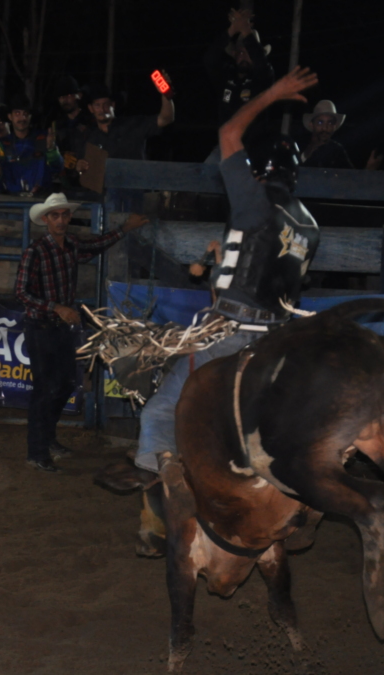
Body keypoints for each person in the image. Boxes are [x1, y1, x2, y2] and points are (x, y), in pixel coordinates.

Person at [131, 67, 321, 491]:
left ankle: (164, 477)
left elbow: (229, 133)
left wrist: (273, 92)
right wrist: (222, 266)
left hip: (231, 333)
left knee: (161, 409)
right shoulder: (310, 227)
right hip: (277, 339)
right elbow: (273, 278)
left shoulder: (253, 198)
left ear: (259, 170)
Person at [15, 193, 149, 472]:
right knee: (46, 389)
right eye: (55, 216)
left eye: (64, 215)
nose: (61, 220)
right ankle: (37, 450)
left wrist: (124, 228)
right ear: (46, 219)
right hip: (40, 327)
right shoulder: (35, 251)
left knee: (63, 384)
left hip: (59, 327)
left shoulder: (71, 245)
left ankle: (46, 441)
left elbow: (97, 244)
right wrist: (57, 307)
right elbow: (21, 292)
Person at [202, 7, 274, 162]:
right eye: (241, 52)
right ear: (234, 54)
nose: (244, 56)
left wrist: (246, 30)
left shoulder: (262, 79)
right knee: (203, 172)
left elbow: (262, 65)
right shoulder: (226, 77)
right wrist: (232, 29)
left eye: (249, 53)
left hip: (254, 151)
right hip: (225, 149)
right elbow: (209, 60)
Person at [75, 80, 175, 173]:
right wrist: (80, 167)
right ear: (91, 108)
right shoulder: (90, 139)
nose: (102, 109)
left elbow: (166, 119)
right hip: (107, 186)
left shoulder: (132, 124)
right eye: (97, 105)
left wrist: (166, 94)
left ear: (113, 105)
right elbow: (84, 169)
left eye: (106, 104)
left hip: (137, 184)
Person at [0, 93, 62, 196]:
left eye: (25, 114)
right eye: (17, 113)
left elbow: (58, 167)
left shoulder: (42, 138)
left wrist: (51, 149)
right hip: (12, 200)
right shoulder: (3, 143)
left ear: (30, 117)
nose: (22, 118)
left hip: (41, 199)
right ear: (10, 116)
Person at [301, 100, 382, 170]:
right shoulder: (299, 144)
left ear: (334, 126)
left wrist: (368, 170)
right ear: (311, 124)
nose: (325, 128)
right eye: (320, 122)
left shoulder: (337, 151)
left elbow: (350, 178)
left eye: (330, 123)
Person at [50, 75, 93, 190]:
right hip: (63, 182)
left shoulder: (90, 122)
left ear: (78, 96)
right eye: (61, 97)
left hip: (87, 182)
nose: (65, 100)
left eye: (69, 96)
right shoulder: (57, 125)